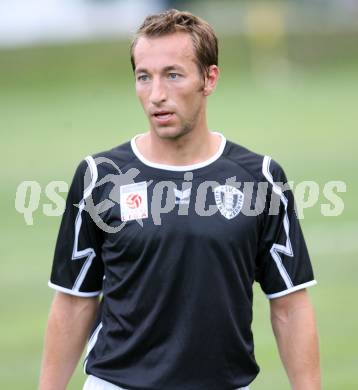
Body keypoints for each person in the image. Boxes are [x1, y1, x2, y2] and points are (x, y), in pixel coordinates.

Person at [39, 9, 321, 390]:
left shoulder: (261, 178)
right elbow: (74, 302)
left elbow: (289, 305)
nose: (156, 95)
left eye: (173, 75)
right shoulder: (98, 177)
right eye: (144, 77)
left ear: (209, 78)